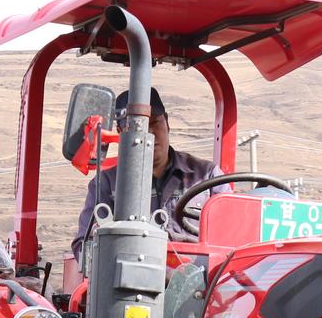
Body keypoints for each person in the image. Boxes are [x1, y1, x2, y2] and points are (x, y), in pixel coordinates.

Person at [72, 88, 227, 263]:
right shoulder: (107, 184)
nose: (150, 134)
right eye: (138, 128)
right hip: (133, 275)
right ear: (121, 132)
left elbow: (234, 235)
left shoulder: (208, 176)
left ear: (167, 123)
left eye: (155, 123)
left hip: (201, 276)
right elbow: (84, 248)